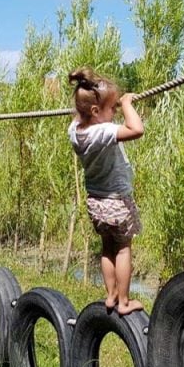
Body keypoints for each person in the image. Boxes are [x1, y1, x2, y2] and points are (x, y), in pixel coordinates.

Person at [67, 67, 144, 315]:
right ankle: (123, 301)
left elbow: (80, 117)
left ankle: (110, 295)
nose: (116, 113)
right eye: (113, 109)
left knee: (107, 247)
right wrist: (128, 104)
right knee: (123, 248)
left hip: (96, 203)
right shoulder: (103, 131)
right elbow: (136, 129)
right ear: (95, 111)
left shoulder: (75, 132)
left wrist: (104, 102)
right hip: (117, 201)